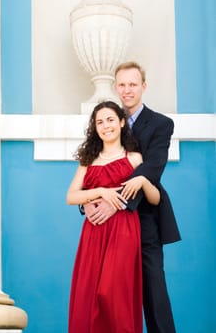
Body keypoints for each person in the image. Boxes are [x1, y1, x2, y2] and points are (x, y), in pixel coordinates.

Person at [83, 62, 181, 333]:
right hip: (108, 229)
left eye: (133, 84)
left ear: (143, 87)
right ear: (116, 87)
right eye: (122, 85)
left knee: (154, 293)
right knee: (108, 295)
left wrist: (115, 203)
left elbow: (152, 169)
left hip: (146, 220)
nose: (127, 90)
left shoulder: (161, 124)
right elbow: (95, 169)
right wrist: (86, 202)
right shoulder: (108, 121)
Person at [67, 101, 161, 333]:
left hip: (123, 232)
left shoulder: (134, 159)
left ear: (121, 122)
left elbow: (155, 198)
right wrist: (99, 192)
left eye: (110, 120)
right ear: (94, 128)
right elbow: (71, 196)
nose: (105, 126)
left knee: (112, 294)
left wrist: (144, 181)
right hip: (93, 234)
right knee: (89, 295)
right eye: (99, 122)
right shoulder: (88, 161)